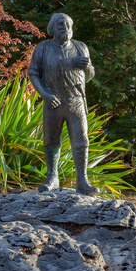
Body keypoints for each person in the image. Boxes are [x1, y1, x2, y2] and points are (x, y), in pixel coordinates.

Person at [28, 13, 100, 195]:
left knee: (81, 141)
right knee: (51, 141)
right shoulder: (43, 48)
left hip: (76, 102)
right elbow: (33, 73)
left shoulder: (80, 47)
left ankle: (82, 181)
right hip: (53, 102)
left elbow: (90, 76)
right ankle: (52, 177)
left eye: (68, 24)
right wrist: (44, 94)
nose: (65, 28)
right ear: (52, 28)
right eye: (60, 25)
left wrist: (87, 68)